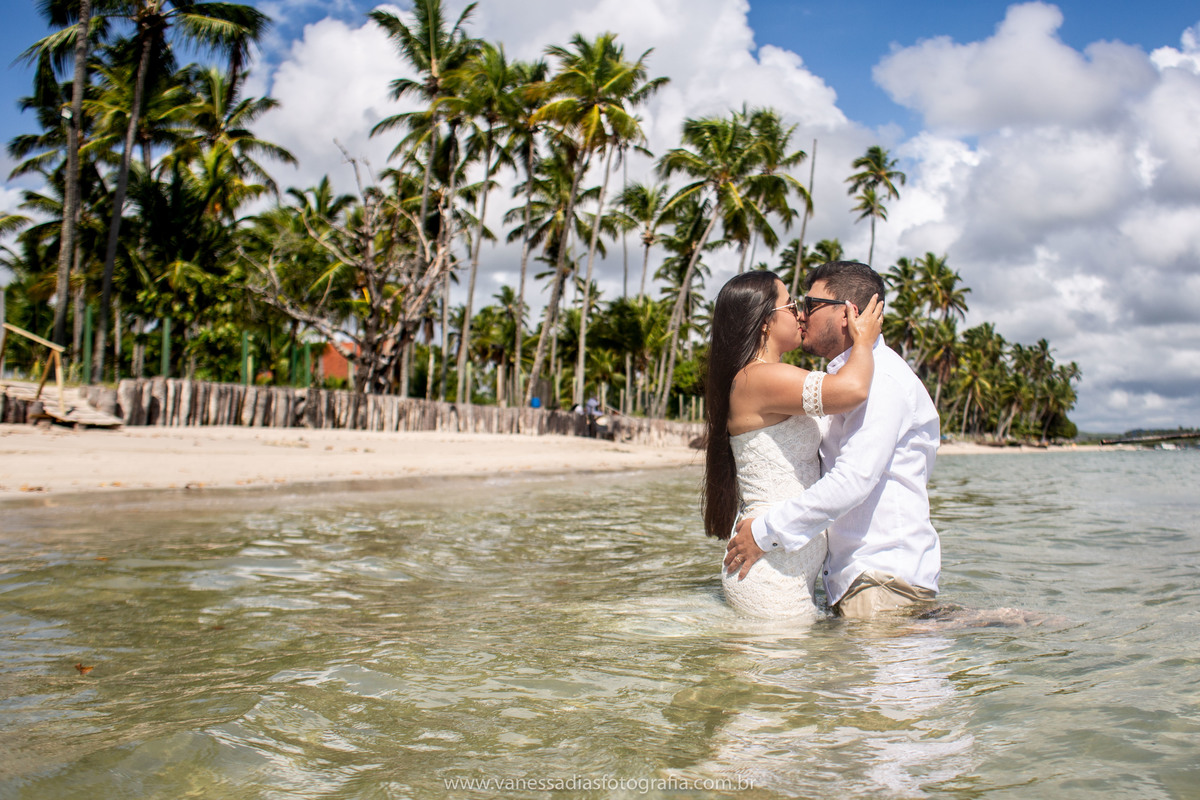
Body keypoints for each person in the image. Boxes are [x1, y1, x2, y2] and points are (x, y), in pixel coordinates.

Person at [723, 261, 941, 619]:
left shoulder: (880, 380)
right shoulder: (841, 381)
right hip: (853, 579)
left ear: (848, 314)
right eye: (795, 306)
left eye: (809, 304)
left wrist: (764, 533)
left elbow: (852, 480)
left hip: (880, 576)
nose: (802, 315)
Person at [703, 270, 883, 620]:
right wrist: (863, 341)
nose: (801, 314)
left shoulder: (767, 375)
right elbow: (851, 391)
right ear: (765, 322)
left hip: (782, 564)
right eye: (791, 306)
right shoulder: (759, 377)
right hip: (769, 572)